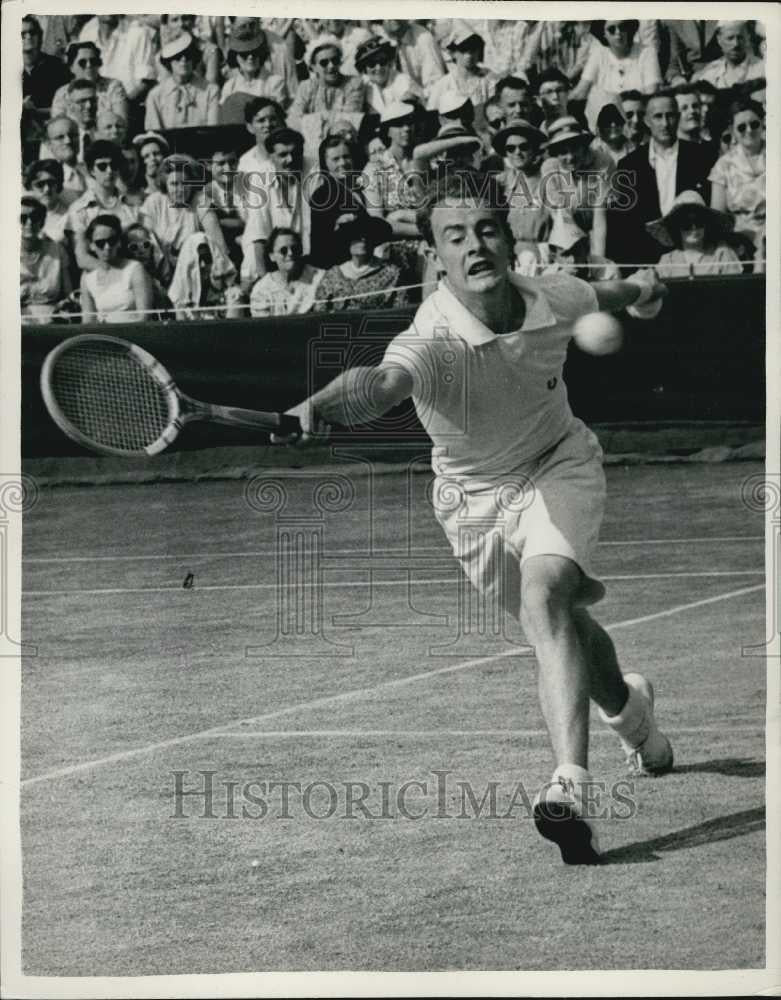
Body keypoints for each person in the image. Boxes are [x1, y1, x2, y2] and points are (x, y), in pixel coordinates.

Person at [275, 170, 673, 865]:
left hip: (557, 463)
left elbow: (611, 293)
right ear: (435, 254)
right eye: (453, 237)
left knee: (545, 594)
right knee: (565, 627)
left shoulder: (553, 295)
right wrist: (314, 408)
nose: (473, 245)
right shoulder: (431, 338)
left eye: (485, 229)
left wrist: (644, 292)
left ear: (507, 235)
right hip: (470, 502)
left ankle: (568, 788)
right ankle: (633, 717)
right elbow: (378, 384)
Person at [612, 92, 715, 265]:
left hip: (695, 257)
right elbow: (624, 225)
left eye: (670, 116)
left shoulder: (703, 157)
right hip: (645, 260)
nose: (665, 124)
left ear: (678, 117)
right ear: (646, 120)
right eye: (658, 117)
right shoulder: (629, 165)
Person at [241, 127, 311, 286]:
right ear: (271, 158)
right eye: (283, 155)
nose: (291, 159)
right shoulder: (260, 179)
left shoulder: (312, 170)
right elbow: (258, 236)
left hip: (304, 255)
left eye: (295, 153)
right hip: (273, 257)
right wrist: (268, 282)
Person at [141, 154, 230, 272]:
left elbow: (219, 245)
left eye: (185, 182)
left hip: (194, 270)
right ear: (165, 184)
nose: (180, 189)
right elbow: (144, 240)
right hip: (160, 270)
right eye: (174, 184)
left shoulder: (200, 200)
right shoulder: (154, 202)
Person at [540, 116, 613, 257]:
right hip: (567, 233)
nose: (571, 157)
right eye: (563, 152)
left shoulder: (602, 162)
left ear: (584, 145)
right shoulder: (549, 168)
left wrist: (598, 259)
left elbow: (600, 215)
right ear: (555, 153)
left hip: (605, 229)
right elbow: (560, 216)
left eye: (575, 148)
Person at [570, 20, 661, 132]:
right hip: (605, 124)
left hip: (637, 123)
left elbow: (651, 93)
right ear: (604, 34)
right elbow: (581, 91)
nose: (618, 33)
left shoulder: (646, 52)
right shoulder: (599, 54)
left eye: (623, 27)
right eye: (612, 29)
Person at [67, 140, 140, 271]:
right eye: (102, 166)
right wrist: (115, 274)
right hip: (99, 277)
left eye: (114, 165)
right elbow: (82, 258)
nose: (109, 170)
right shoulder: (79, 209)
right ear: (91, 170)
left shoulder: (132, 205)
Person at [316, 213, 409, 311]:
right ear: (347, 240)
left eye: (367, 235)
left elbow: (400, 311)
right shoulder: (332, 275)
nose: (363, 240)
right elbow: (319, 313)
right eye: (357, 236)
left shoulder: (391, 273)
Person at [709, 99, 765, 253]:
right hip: (740, 244)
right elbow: (718, 216)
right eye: (741, 127)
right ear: (732, 130)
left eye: (754, 124)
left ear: (762, 123)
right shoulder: (723, 165)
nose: (749, 130)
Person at [646, 190, 742, 278]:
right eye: (686, 224)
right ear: (676, 228)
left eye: (699, 221)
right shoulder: (668, 261)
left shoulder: (721, 253)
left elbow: (734, 288)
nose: (694, 228)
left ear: (706, 224)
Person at [79, 214, 153, 323]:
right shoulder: (87, 278)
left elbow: (144, 318)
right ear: (92, 246)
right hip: (103, 336)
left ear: (119, 242)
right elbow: (88, 321)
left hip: (134, 335)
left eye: (112, 241)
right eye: (100, 243)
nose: (107, 247)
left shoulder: (135, 269)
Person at [491, 118, 549, 254]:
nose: (517, 152)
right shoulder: (501, 183)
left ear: (534, 149)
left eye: (523, 147)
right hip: (512, 255)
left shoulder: (548, 179)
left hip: (544, 255)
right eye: (511, 149)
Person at [309, 135, 367, 270]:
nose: (342, 163)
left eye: (346, 157)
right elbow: (321, 247)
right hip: (341, 267)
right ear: (325, 163)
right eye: (335, 159)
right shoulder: (322, 196)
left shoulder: (361, 187)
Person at [517, 210, 620, 281]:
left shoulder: (606, 270)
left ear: (586, 247)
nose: (573, 260)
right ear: (554, 255)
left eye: (577, 252)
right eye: (566, 254)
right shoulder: (533, 262)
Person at [145, 34, 220, 129]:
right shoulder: (155, 96)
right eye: (178, 56)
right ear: (169, 61)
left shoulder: (210, 91)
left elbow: (213, 131)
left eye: (188, 55)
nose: (183, 60)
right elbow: (154, 134)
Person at [289, 36, 367, 125]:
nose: (331, 66)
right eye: (324, 63)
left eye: (335, 60)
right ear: (313, 68)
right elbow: (294, 120)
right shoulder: (306, 87)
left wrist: (310, 120)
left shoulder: (354, 84)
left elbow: (349, 119)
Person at [249, 227, 325, 317]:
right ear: (272, 256)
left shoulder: (317, 277)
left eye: (294, 248)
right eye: (283, 250)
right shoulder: (262, 290)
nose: (290, 253)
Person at [20, 196, 73, 324]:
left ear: (42, 221)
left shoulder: (56, 250)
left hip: (51, 321)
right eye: (23, 218)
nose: (29, 223)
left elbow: (68, 295)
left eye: (35, 217)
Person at [219, 21, 288, 117]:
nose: (250, 57)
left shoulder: (275, 83)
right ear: (236, 57)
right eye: (244, 53)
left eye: (255, 52)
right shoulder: (230, 86)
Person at [168, 233, 241, 320]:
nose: (202, 265)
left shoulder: (233, 296)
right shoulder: (180, 301)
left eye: (206, 258)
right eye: (197, 261)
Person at [50, 41, 128, 122]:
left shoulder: (113, 87)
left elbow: (121, 122)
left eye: (93, 61)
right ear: (71, 67)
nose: (89, 65)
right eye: (82, 62)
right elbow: (58, 126)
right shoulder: (62, 94)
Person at [426, 22, 495, 114]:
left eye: (473, 50)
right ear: (453, 53)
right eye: (463, 50)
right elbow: (432, 114)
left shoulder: (488, 81)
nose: (469, 55)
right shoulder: (443, 85)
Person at [379, 20, 446, 99]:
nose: (392, 20)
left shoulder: (423, 39)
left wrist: (417, 98)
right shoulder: (390, 40)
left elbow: (436, 85)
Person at [692, 21, 765, 92]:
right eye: (730, 38)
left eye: (740, 37)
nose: (736, 44)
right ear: (719, 40)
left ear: (748, 38)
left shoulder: (763, 70)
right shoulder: (710, 74)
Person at [355, 36, 421, 114]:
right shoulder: (365, 86)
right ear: (365, 69)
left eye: (382, 61)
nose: (378, 67)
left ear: (388, 63)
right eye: (371, 64)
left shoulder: (403, 81)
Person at [22, 14, 70, 113]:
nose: (28, 37)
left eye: (32, 32)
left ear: (39, 36)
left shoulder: (57, 67)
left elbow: (67, 106)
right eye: (22, 34)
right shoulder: (6, 69)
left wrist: (35, 111)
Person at [25, 160, 76, 244]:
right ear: (30, 187)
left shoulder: (70, 217)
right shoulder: (22, 213)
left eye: (51, 183)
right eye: (40, 184)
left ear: (58, 184)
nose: (47, 189)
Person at [40, 116, 89, 196]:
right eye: (60, 137)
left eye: (73, 135)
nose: (68, 141)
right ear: (49, 144)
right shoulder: (46, 180)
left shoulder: (95, 170)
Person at [132, 132, 170, 198]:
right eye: (146, 156)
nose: (153, 158)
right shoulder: (139, 195)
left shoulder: (173, 189)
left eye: (156, 154)